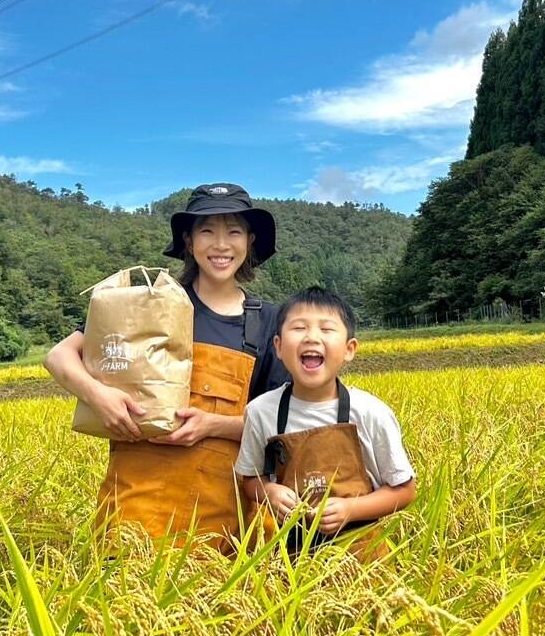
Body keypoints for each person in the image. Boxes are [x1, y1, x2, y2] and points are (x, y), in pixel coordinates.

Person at [45, 183, 289, 548]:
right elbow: (58, 356)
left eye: (233, 231)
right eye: (207, 230)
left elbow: (282, 426)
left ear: (250, 241)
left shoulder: (270, 322)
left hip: (226, 519)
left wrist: (212, 425)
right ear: (189, 242)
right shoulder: (151, 303)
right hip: (134, 514)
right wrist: (99, 396)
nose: (221, 244)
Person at [236, 286, 415, 553]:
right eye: (299, 328)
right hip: (289, 559)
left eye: (326, 329)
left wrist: (350, 509)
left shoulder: (370, 413)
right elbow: (250, 479)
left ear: (349, 349)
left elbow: (405, 490)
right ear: (279, 347)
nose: (312, 337)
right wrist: (269, 493)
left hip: (362, 561)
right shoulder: (261, 411)